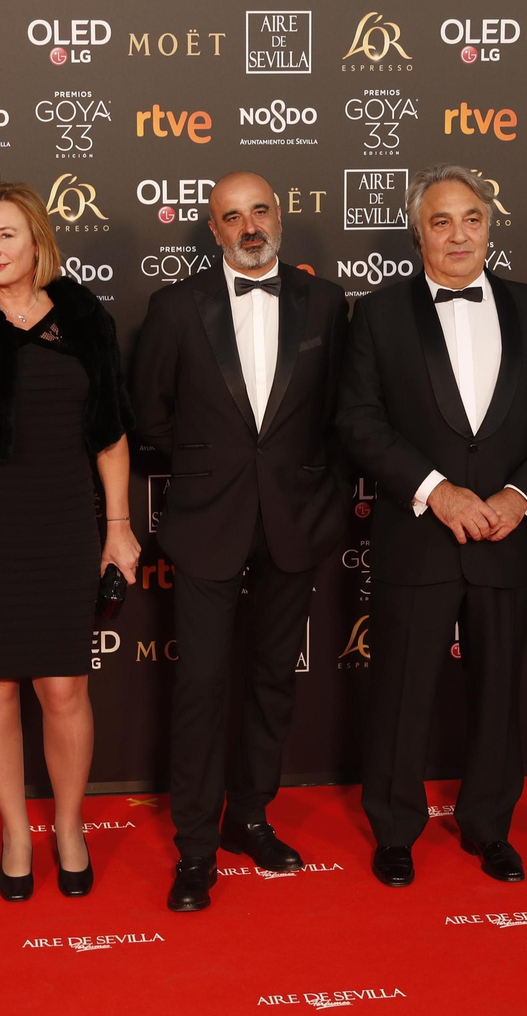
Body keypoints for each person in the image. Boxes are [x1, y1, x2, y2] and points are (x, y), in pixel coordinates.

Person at [337, 164, 527, 888]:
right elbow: (357, 419)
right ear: (419, 232)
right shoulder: (378, 316)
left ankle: (489, 827)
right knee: (401, 692)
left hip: (508, 536)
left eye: (470, 218)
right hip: (417, 532)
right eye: (440, 221)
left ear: (489, 225)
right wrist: (436, 490)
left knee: (501, 690)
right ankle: (394, 831)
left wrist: (518, 496)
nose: (457, 234)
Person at [0, 183, 138, 902]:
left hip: (65, 523)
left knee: (65, 686)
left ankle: (68, 827)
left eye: (6, 235)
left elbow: (110, 435)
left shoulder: (84, 319)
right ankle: (15, 830)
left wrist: (120, 527)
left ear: (38, 241)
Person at [132, 171, 350, 912]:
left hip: (296, 521)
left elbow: (342, 414)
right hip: (206, 524)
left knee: (271, 682)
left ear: (279, 215)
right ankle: (195, 847)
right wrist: (209, 471)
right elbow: (151, 420)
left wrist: (321, 494)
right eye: (233, 217)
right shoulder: (172, 310)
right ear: (214, 229)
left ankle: (250, 818)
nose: (249, 227)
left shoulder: (325, 303)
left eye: (260, 210)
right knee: (199, 688)